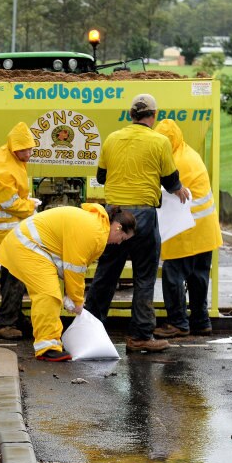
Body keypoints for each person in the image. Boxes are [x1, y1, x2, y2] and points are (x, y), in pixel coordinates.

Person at [83, 93, 190, 353]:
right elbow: (170, 179)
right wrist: (178, 190)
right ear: (153, 116)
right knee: (144, 276)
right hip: (143, 215)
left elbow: (102, 176)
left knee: (106, 274)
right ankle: (140, 335)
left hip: (114, 214)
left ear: (131, 115)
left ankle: (88, 329)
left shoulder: (111, 139)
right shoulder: (160, 141)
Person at [0, 205, 136, 361]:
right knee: (48, 295)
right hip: (28, 246)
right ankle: (47, 348)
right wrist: (77, 300)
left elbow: (71, 265)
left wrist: (72, 295)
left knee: (49, 294)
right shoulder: (96, 233)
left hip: (29, 244)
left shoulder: (96, 226)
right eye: (122, 238)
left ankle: (50, 343)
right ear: (117, 227)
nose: (119, 243)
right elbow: (75, 269)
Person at [152, 118, 223, 338]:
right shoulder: (189, 152)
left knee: (174, 276)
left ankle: (178, 323)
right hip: (205, 230)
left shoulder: (173, 161)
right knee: (198, 277)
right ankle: (201, 322)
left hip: (185, 229)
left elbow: (158, 187)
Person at [0, 121, 39, 340]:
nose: (29, 153)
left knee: (12, 276)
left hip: (8, 231)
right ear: (15, 148)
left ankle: (14, 316)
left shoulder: (9, 155)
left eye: (30, 148)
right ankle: (6, 323)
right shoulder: (5, 168)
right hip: (6, 232)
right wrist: (31, 206)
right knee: (15, 276)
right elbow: (9, 203)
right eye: (24, 150)